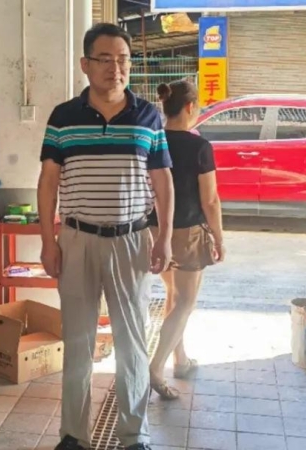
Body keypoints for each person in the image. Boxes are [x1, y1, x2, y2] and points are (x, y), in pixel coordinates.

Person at [37, 23, 174, 450]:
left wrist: (164, 237)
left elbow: (163, 182)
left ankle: (134, 435)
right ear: (85, 64)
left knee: (132, 343)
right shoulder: (64, 117)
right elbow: (48, 182)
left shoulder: (148, 116)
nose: (116, 68)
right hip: (77, 240)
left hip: (132, 240)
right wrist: (48, 240)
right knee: (77, 343)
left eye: (124, 60)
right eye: (105, 59)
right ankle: (73, 435)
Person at [147, 81, 225, 399]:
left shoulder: (152, 141)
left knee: (173, 294)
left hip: (154, 231)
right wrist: (219, 237)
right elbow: (211, 201)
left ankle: (180, 359)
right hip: (187, 232)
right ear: (190, 106)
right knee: (185, 302)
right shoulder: (199, 147)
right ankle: (156, 367)